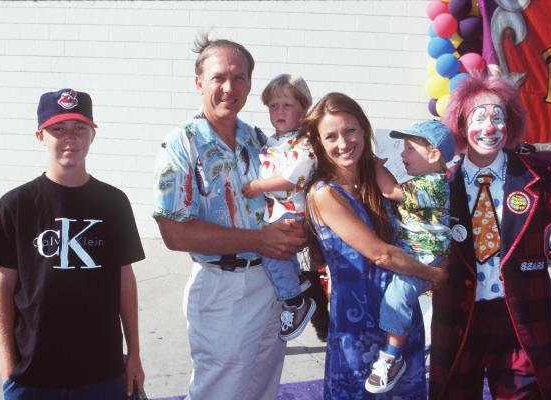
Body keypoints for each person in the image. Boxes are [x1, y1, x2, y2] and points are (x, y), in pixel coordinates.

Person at [153, 35, 306, 399]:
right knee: (220, 392)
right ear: (199, 83)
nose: (229, 87)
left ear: (250, 85)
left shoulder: (260, 139)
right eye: (219, 77)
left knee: (263, 389)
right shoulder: (181, 143)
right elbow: (174, 233)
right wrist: (259, 239)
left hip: (275, 283)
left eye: (239, 78)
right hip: (223, 289)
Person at [0, 88, 145, 399]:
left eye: (80, 128)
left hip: (102, 372)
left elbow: (125, 280)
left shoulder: (113, 203)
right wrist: (7, 368)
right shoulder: (16, 204)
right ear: (40, 136)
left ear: (93, 135)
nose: (71, 137)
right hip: (32, 375)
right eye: (58, 129)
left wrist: (134, 354)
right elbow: (1, 288)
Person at [430, 73, 551, 399]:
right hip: (461, 315)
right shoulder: (439, 185)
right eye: (479, 118)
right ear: (461, 126)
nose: (489, 128)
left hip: (519, 317)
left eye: (498, 118)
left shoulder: (541, 175)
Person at [303, 92, 446, 399]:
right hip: (357, 326)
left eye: (350, 130)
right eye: (331, 136)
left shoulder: (377, 182)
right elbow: (380, 254)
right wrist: (435, 275)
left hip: (400, 317)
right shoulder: (324, 193)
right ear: (319, 143)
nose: (343, 143)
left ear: (364, 130)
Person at [365, 120, 455, 394]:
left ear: (434, 155)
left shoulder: (433, 184)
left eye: (409, 148)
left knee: (397, 296)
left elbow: (391, 191)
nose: (403, 154)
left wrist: (375, 167)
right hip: (415, 251)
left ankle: (392, 356)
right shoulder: (425, 181)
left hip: (424, 257)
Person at [241, 73, 317, 341]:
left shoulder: (304, 143)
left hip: (291, 212)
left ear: (304, 108)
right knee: (280, 257)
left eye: (287, 105)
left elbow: (291, 179)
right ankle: (298, 284)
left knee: (273, 255)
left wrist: (257, 187)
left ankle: (295, 301)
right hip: (276, 212)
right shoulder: (275, 141)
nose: (279, 111)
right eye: (273, 105)